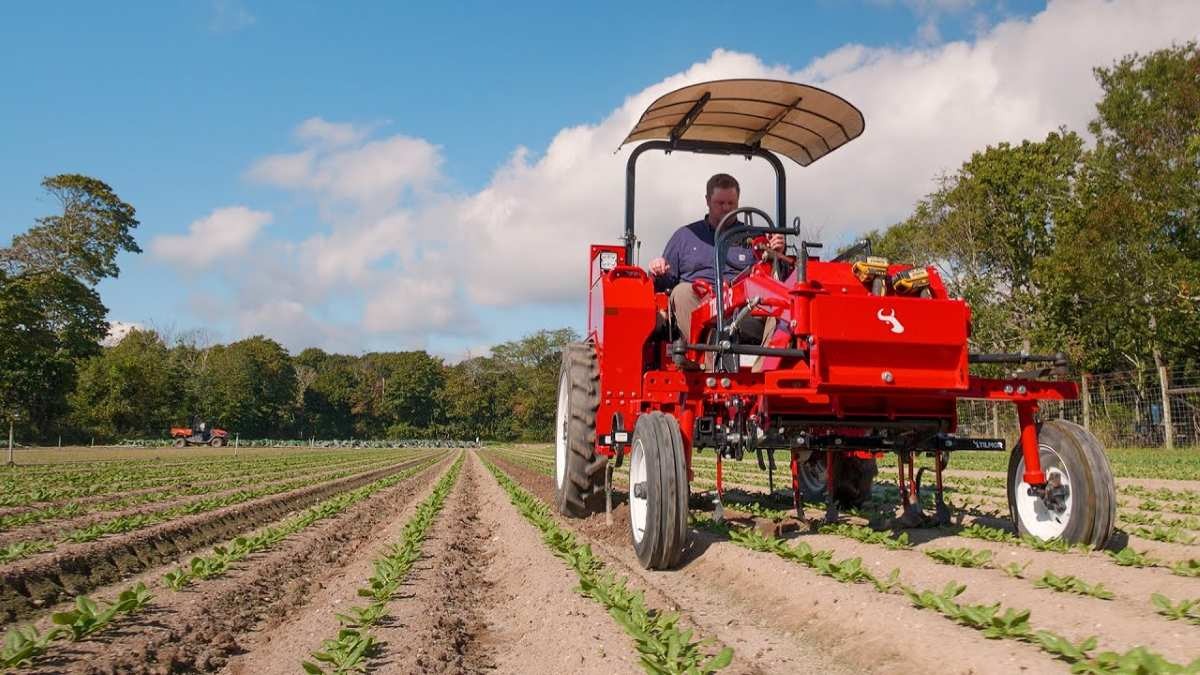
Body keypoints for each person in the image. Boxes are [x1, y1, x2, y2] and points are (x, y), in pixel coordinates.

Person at [648, 173, 784, 339]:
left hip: (744, 309)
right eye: (720, 203)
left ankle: (766, 364)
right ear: (707, 201)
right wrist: (657, 270)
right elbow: (663, 284)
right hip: (698, 308)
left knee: (781, 306)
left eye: (731, 203)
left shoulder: (756, 238)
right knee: (681, 292)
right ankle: (704, 353)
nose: (726, 208)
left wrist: (776, 255)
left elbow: (775, 280)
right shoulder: (685, 237)